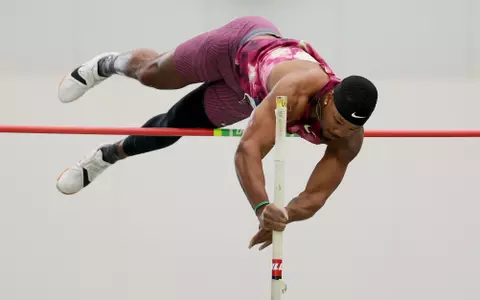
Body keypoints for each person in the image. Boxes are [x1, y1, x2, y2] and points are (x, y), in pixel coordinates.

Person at [56, 16, 378, 250]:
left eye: (349, 127)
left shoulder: (349, 139)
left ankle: (105, 157)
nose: (337, 131)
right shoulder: (293, 94)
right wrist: (261, 206)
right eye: (337, 120)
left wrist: (282, 215)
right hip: (235, 47)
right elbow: (247, 151)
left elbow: (317, 195)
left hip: (246, 92)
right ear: (327, 97)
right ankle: (106, 64)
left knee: (171, 129)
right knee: (152, 75)